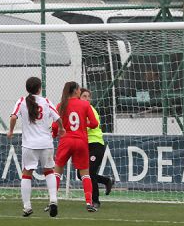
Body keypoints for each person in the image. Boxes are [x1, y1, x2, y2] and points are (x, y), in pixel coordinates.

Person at [7, 76, 65, 217]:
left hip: (29, 145)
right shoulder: (46, 101)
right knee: (49, 171)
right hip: (46, 143)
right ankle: (53, 200)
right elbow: (57, 118)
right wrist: (62, 129)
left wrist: (11, 131)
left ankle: (27, 207)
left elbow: (13, 117)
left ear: (27, 88)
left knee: (27, 174)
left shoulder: (22, 101)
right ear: (40, 88)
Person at [52, 81, 99, 212]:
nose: (80, 91)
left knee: (57, 172)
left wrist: (54, 135)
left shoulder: (61, 105)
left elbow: (55, 126)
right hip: (81, 141)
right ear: (76, 91)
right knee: (85, 174)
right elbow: (94, 123)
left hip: (66, 140)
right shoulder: (85, 104)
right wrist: (84, 124)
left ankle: (53, 200)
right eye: (79, 90)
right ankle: (89, 203)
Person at [78, 88, 114, 209]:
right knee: (80, 174)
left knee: (89, 173)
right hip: (85, 146)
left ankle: (95, 201)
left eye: (89, 96)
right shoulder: (79, 111)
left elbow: (88, 126)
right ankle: (106, 181)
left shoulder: (91, 110)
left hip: (96, 145)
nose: (87, 98)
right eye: (84, 96)